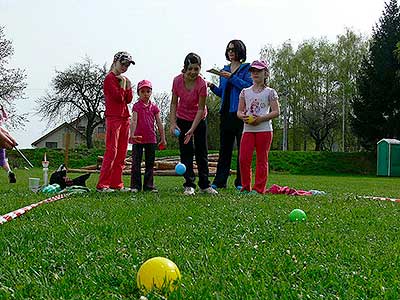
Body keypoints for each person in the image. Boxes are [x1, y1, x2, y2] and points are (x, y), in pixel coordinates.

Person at [169, 53, 218, 196]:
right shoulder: (177, 81)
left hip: (199, 119)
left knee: (202, 152)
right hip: (182, 119)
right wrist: (172, 123)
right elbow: (173, 103)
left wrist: (192, 129)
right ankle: (189, 185)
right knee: (186, 152)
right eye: (190, 69)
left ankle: (205, 185)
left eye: (196, 69)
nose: (193, 72)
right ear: (185, 68)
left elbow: (201, 108)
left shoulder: (202, 84)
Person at [208, 39, 252, 190]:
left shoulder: (247, 68)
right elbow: (223, 92)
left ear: (240, 51)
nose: (231, 52)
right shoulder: (224, 69)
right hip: (225, 113)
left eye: (233, 49)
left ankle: (241, 182)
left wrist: (231, 77)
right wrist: (212, 86)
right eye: (228, 49)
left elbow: (248, 87)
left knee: (242, 149)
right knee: (224, 150)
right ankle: (220, 181)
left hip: (240, 114)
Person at [237, 60, 280, 194]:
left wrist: (260, 119)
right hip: (248, 130)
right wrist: (242, 116)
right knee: (244, 159)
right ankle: (245, 187)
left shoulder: (270, 92)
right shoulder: (245, 92)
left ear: (265, 73)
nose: (255, 73)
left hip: (264, 130)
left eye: (259, 71)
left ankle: (259, 188)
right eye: (253, 71)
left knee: (262, 160)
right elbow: (239, 111)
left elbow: (276, 111)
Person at [96, 51, 135, 192]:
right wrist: (124, 83)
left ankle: (116, 184)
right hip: (113, 118)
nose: (125, 67)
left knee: (122, 153)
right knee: (111, 151)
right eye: (123, 64)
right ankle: (103, 185)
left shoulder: (124, 80)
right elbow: (119, 98)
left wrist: (128, 85)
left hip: (125, 118)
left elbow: (129, 99)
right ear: (115, 62)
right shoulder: (109, 79)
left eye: (127, 65)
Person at [129, 79, 166, 193]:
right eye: (143, 91)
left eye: (148, 91)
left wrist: (163, 138)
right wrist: (132, 135)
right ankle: (135, 186)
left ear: (151, 92)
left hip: (151, 139)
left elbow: (159, 122)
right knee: (136, 163)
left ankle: (148, 186)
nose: (145, 94)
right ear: (138, 93)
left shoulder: (154, 107)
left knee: (150, 164)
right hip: (138, 139)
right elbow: (134, 120)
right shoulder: (136, 106)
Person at [0, 105, 16, 183]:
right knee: (2, 160)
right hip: (1, 143)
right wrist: (3, 109)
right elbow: (6, 117)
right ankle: (9, 171)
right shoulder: (1, 121)